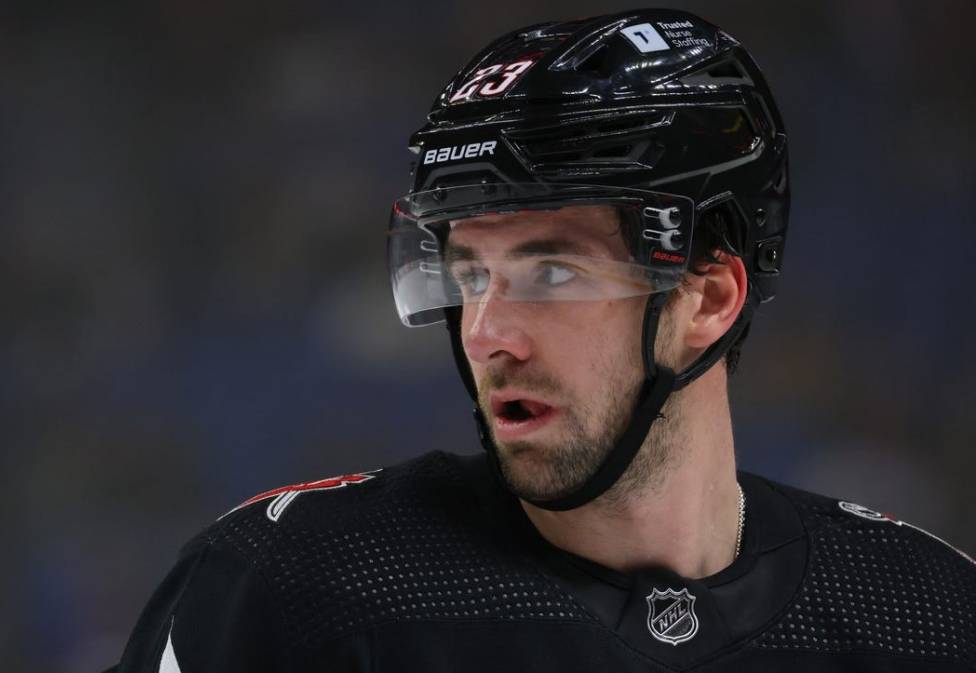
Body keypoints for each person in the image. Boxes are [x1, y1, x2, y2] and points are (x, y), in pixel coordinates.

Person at [109, 8, 976, 672]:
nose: (487, 333)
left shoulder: (927, 613)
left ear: (708, 296)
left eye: (551, 272)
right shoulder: (287, 587)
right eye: (471, 273)